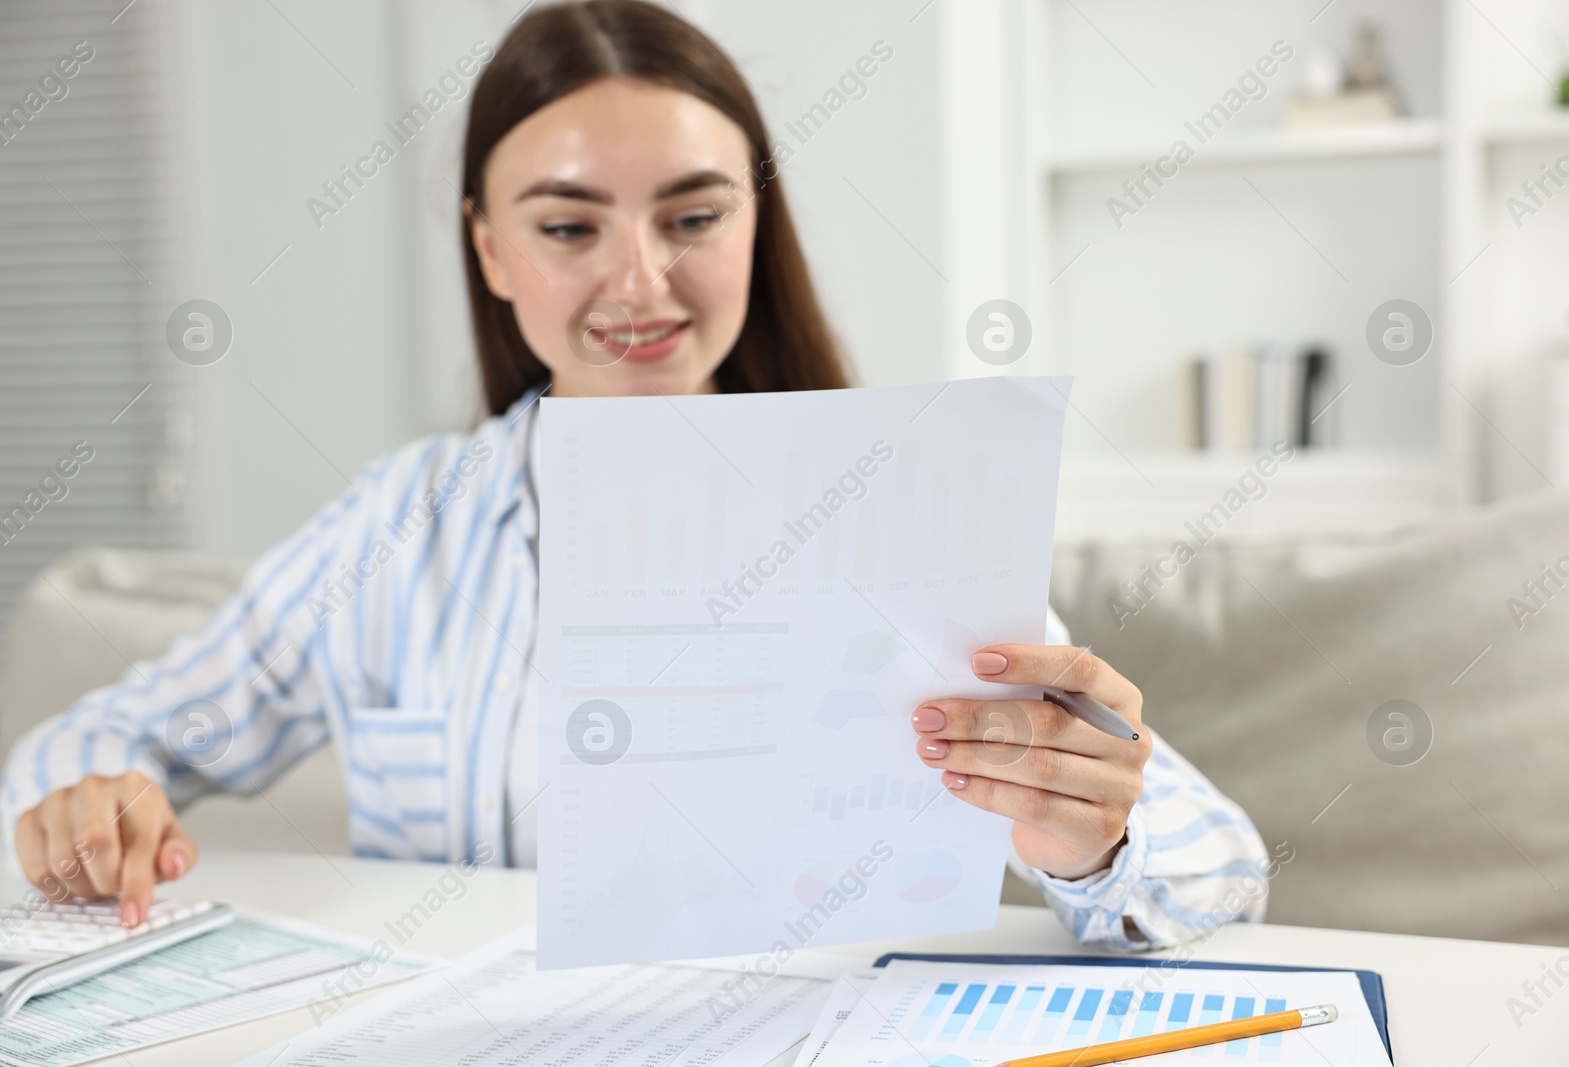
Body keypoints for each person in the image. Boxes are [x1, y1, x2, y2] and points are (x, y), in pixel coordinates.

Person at [1, 0, 1266, 951]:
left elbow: (1220, 869)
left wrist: (1095, 831)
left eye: (694, 216)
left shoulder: (888, 506)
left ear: (753, 224)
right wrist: (92, 799)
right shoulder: (400, 524)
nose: (639, 282)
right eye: (567, 227)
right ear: (490, 248)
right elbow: (96, 741)